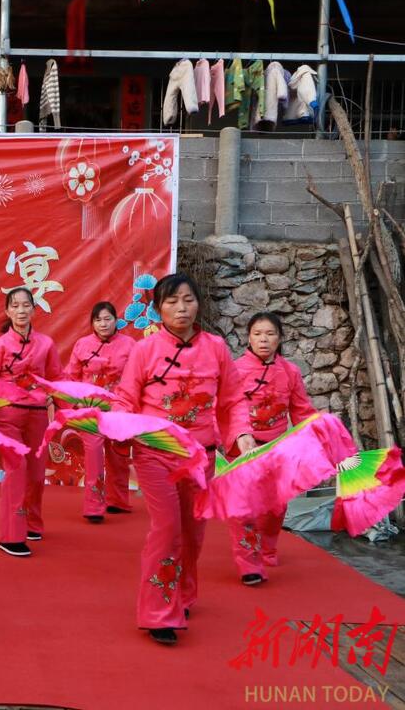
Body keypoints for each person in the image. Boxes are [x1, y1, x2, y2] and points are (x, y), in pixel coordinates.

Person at [115, 273, 255, 645]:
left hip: (200, 457)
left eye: (188, 300)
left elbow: (233, 400)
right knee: (167, 529)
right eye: (172, 301)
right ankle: (158, 612)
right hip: (155, 453)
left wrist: (241, 433)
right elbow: (126, 398)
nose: (181, 308)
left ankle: (183, 594)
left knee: (193, 534)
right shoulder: (144, 350)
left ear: (198, 304)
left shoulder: (216, 348)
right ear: (158, 308)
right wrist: (117, 427)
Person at [227, 311, 316, 586]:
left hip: (277, 449)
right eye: (257, 334)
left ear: (280, 338)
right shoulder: (235, 370)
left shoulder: (290, 372)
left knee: (276, 507)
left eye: (269, 334)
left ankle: (268, 547)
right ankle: (248, 563)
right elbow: (227, 409)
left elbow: (301, 411)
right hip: (243, 449)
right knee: (244, 508)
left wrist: (318, 434)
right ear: (248, 338)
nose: (263, 339)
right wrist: (240, 436)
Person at [0, 287, 62, 557]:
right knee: (17, 468)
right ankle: (10, 535)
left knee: (36, 471)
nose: (21, 311)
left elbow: (56, 378)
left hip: (38, 414)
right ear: (7, 311)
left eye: (26, 305)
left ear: (34, 309)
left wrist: (68, 408)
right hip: (8, 416)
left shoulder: (46, 344)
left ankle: (32, 523)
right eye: (15, 306)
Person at [63, 301, 137, 522]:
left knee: (118, 456)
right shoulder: (82, 345)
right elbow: (71, 376)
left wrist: (131, 406)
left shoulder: (130, 345)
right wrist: (75, 404)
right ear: (92, 323)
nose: (103, 324)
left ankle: (118, 500)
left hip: (119, 409)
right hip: (90, 410)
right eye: (98, 320)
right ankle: (94, 506)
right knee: (94, 456)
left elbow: (136, 377)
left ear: (116, 321)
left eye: (107, 319)